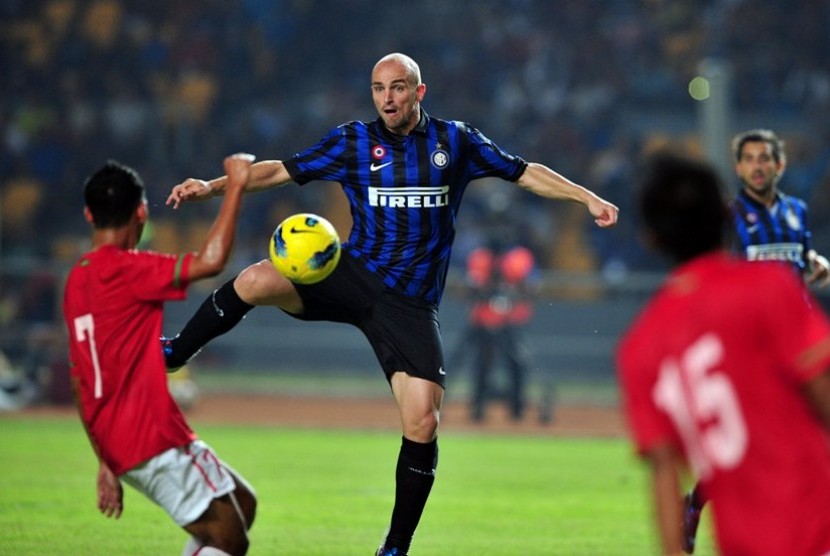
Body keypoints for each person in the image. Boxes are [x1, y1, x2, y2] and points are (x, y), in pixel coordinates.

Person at [163, 52, 619, 555]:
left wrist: (586, 198)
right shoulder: (352, 141)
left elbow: (524, 172)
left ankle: (395, 548)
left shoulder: (456, 141)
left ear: (419, 92)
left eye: (398, 88)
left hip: (409, 303)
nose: (388, 99)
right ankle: (177, 352)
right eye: (379, 89)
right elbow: (280, 171)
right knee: (254, 279)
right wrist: (214, 188)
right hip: (352, 274)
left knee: (423, 419)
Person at [617, 152, 830, 556]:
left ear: (651, 238)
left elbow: (665, 474)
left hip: (744, 542)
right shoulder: (768, 289)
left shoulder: (641, 344)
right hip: (816, 528)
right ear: (725, 216)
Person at [63, 155, 258, 556]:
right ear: (140, 212)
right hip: (149, 434)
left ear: (88, 214)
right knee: (230, 540)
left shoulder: (77, 278)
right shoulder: (129, 270)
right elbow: (211, 262)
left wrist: (104, 460)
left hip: (118, 440)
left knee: (244, 504)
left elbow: (80, 378)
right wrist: (236, 185)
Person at [681, 128, 830, 553]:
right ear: (738, 167)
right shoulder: (728, 221)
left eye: (765, 158)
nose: (757, 166)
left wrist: (815, 264)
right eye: (749, 159)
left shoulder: (797, 213)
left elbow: (798, 263)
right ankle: (696, 506)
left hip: (799, 348)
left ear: (779, 165)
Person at [463, 232, 538, 422]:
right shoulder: (480, 258)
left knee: (517, 363)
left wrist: (510, 296)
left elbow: (530, 287)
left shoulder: (520, 258)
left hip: (512, 320)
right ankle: (478, 408)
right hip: (484, 319)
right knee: (483, 364)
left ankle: (517, 408)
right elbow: (472, 288)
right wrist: (489, 293)